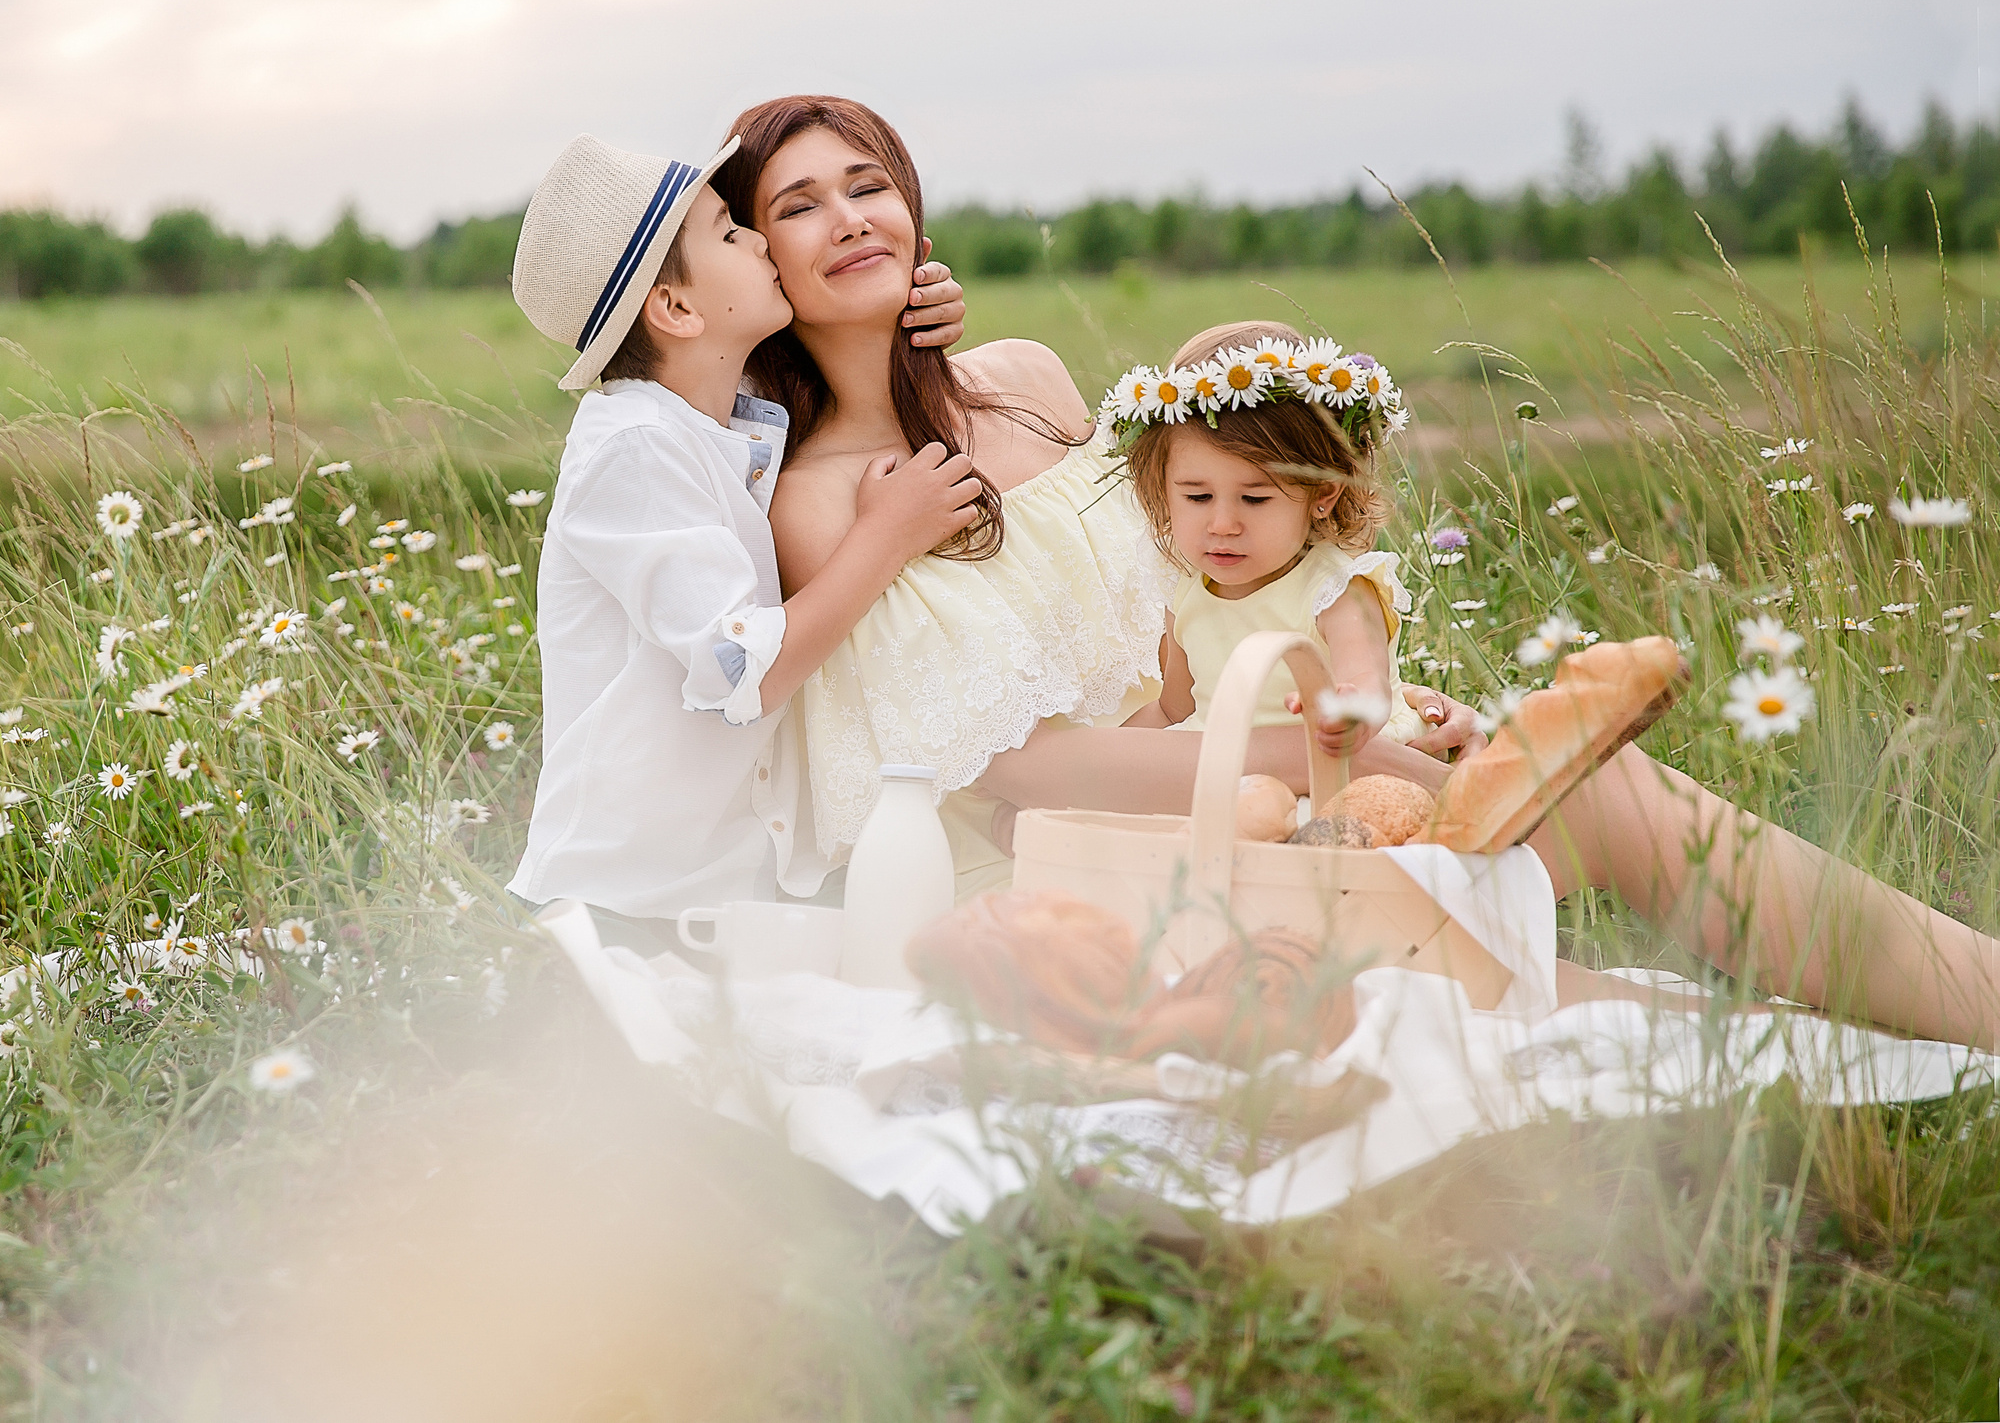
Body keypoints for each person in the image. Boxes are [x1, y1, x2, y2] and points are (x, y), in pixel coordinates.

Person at [713, 93, 2000, 1047]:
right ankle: (1927, 1018)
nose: (846, 218)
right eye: (796, 205)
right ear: (759, 257)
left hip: (1242, 786)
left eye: (865, 181)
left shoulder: (1033, 384)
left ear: (911, 202)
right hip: (1068, 865)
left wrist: (1363, 706)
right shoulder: (829, 499)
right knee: (1552, 994)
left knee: (1593, 791)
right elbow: (1014, 767)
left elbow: (1203, 605)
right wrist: (1332, 756)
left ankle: (1973, 994)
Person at [500, 133, 980, 952]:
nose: (758, 240)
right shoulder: (633, 446)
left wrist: (910, 300)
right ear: (678, 310)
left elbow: (844, 347)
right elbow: (739, 668)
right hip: (621, 911)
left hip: (718, 903)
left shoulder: (715, 407)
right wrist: (885, 534)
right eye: (729, 232)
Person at [1115, 317, 1434, 753]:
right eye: (1198, 496)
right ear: (1163, 488)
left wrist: (1349, 712)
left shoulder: (1335, 590)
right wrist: (1095, 766)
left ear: (1322, 491)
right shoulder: (1188, 593)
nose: (1223, 524)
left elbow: (1366, 681)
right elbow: (1175, 709)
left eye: (1254, 499)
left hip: (1330, 762)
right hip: (1230, 766)